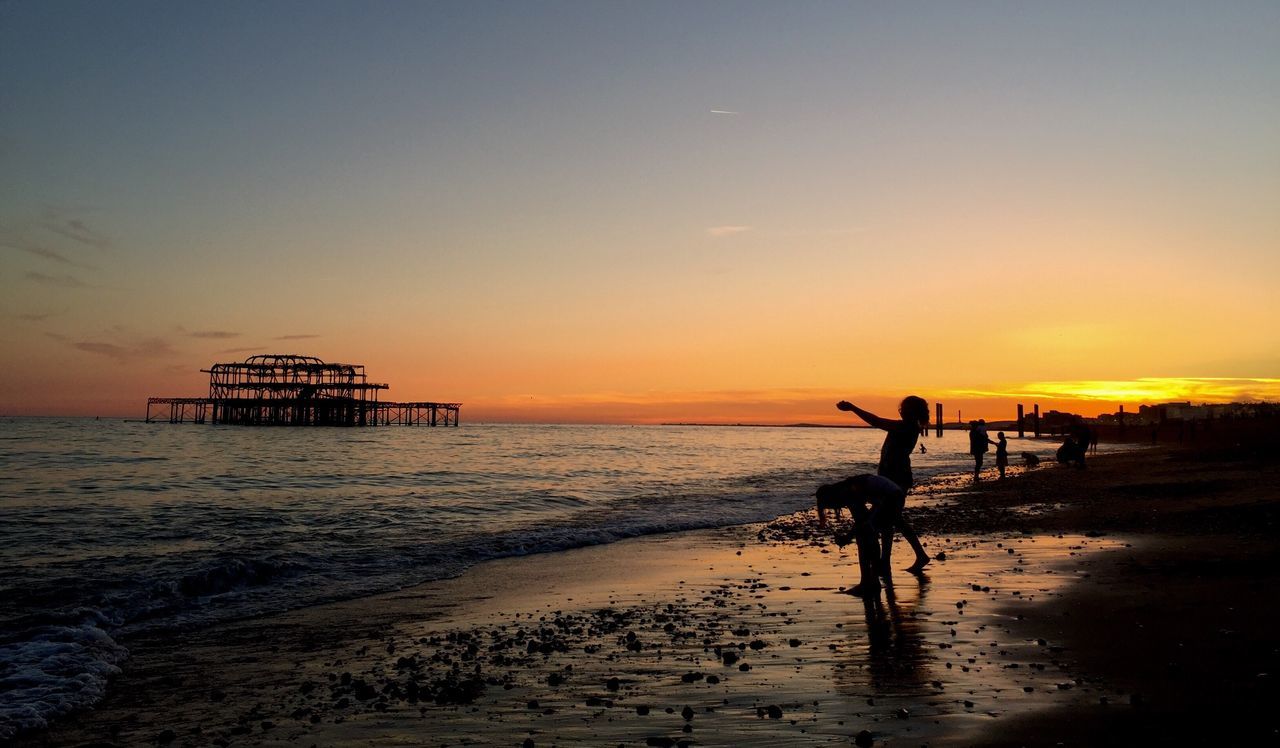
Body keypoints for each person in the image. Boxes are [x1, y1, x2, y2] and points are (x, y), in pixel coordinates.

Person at [835, 396, 932, 573]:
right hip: (890, 476)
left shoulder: (907, 427)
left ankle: (912, 556)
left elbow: (876, 421)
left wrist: (853, 408)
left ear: (910, 412)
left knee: (893, 518)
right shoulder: (907, 426)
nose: (901, 411)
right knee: (891, 520)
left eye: (903, 408)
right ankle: (887, 560)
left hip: (897, 478)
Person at [815, 474, 907, 597]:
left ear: (832, 497)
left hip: (891, 499)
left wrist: (847, 537)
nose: (834, 508)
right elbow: (861, 520)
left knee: (865, 535)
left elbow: (861, 520)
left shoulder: (850, 491)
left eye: (831, 505)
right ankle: (872, 582)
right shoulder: (848, 487)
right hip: (894, 496)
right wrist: (850, 535)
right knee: (866, 533)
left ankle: (867, 583)